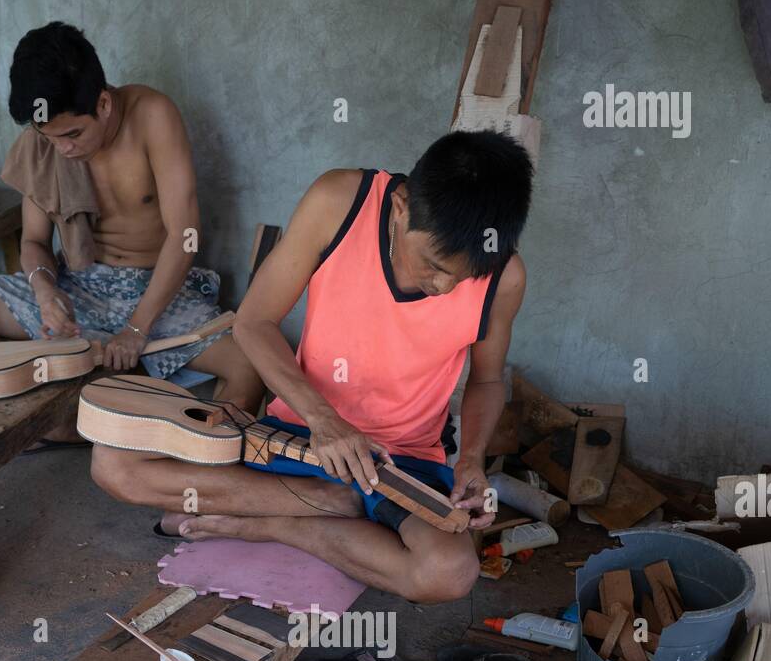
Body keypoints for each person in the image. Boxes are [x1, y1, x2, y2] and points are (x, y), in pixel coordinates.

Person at [92, 130, 533, 604]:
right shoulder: (340, 202)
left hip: (395, 466)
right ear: (401, 205)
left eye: (462, 275)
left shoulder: (504, 277)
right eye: (433, 263)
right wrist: (323, 420)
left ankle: (274, 526)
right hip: (294, 438)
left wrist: (471, 461)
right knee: (114, 464)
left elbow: (487, 379)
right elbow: (254, 322)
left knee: (447, 573)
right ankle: (331, 504)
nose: (444, 286)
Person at [0, 21, 261, 409]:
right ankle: (65, 407)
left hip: (157, 294)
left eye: (73, 135)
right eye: (50, 137)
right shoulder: (43, 140)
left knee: (250, 364)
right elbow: (33, 242)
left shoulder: (152, 116)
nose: (62, 149)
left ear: (103, 103)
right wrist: (45, 291)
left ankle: (96, 407)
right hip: (77, 288)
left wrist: (136, 330)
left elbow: (185, 237)